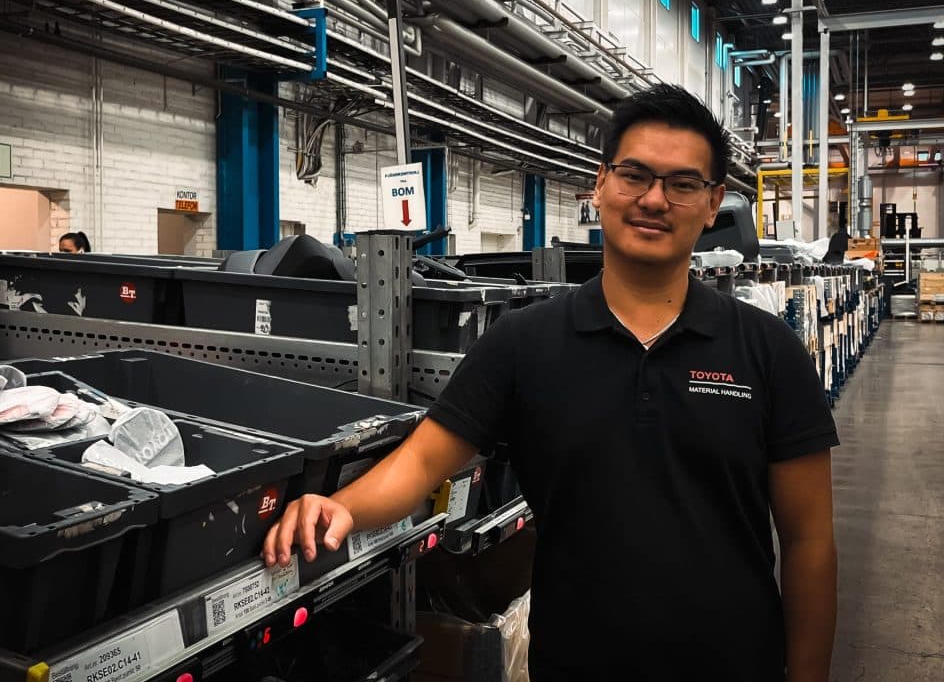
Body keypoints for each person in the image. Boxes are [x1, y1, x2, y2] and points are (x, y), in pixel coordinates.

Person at [263, 84, 838, 681]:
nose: (654, 199)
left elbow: (809, 544)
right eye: (634, 175)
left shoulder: (767, 351)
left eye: (682, 183)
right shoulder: (525, 343)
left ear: (714, 201)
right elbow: (422, 462)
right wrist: (338, 507)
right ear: (600, 184)